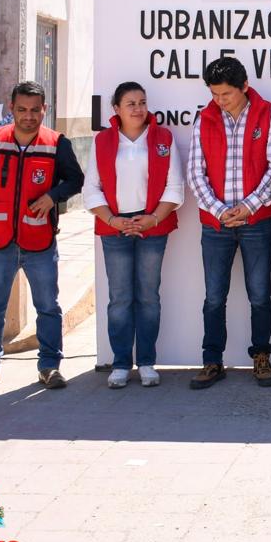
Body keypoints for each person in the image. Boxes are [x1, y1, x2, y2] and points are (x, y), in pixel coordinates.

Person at [0, 81, 84, 392]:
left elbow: (76, 180)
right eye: (22, 109)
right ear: (12, 108)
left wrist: (52, 196)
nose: (28, 116)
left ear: (45, 109)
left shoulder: (57, 143)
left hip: (39, 242)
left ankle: (49, 367)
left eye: (35, 110)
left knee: (48, 307)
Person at [186, 57, 271, 390]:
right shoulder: (204, 119)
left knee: (260, 294)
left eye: (226, 94)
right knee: (214, 296)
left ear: (244, 86)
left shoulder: (269, 115)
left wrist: (247, 207)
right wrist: (219, 210)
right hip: (215, 225)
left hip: (256, 221)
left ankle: (261, 355)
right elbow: (195, 173)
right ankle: (212, 359)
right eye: (215, 94)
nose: (219, 100)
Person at [83, 82, 185, 389]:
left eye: (142, 102)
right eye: (130, 103)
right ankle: (121, 363)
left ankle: (147, 362)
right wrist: (113, 219)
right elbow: (91, 187)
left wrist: (153, 218)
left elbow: (174, 185)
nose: (138, 108)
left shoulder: (162, 138)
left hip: (152, 226)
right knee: (120, 298)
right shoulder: (102, 141)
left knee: (148, 296)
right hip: (114, 228)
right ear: (116, 108)